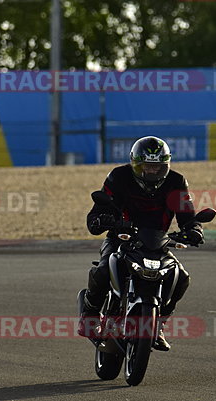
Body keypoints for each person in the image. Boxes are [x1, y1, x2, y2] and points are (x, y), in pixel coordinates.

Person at [78, 136, 204, 351]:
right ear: (135, 163)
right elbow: (97, 212)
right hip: (121, 238)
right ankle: (89, 315)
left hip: (157, 242)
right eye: (147, 166)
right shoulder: (119, 177)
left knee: (181, 277)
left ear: (166, 165)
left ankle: (160, 323)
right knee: (104, 268)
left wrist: (194, 230)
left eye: (158, 167)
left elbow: (187, 214)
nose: (152, 171)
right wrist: (102, 220)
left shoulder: (176, 182)